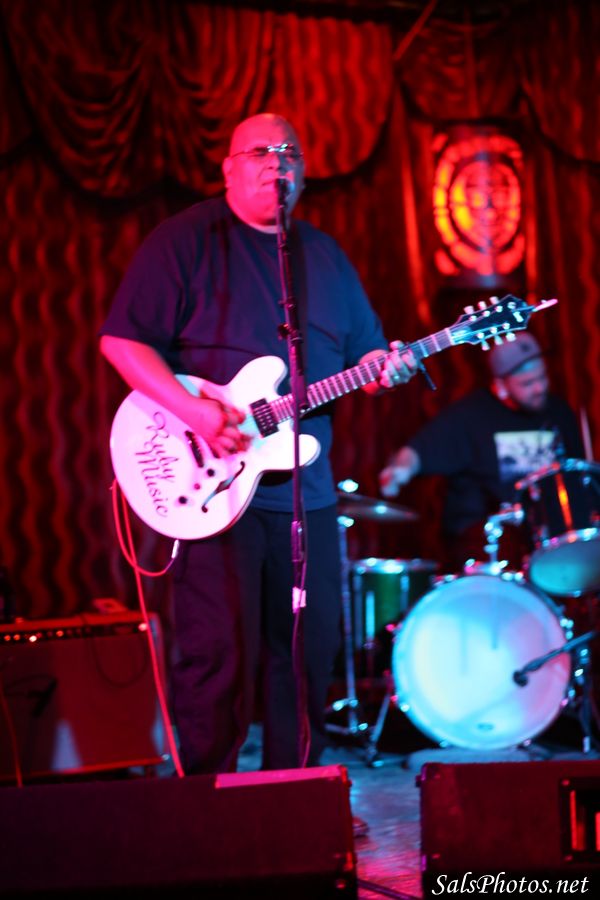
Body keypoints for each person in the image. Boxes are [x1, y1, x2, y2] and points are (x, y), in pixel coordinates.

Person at [100, 113, 417, 775]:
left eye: (290, 152)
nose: (278, 163)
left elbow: (366, 359)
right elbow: (122, 342)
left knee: (306, 654)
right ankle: (204, 807)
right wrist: (194, 409)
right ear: (228, 168)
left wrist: (389, 367)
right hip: (215, 489)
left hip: (307, 493)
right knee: (217, 655)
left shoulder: (324, 256)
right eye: (260, 152)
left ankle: (295, 799)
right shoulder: (185, 239)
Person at [379, 331, 584, 571]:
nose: (540, 388)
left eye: (542, 377)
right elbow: (417, 451)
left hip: (554, 545)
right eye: (527, 383)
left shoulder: (559, 412)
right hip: (491, 551)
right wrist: (399, 470)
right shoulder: (468, 417)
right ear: (501, 385)